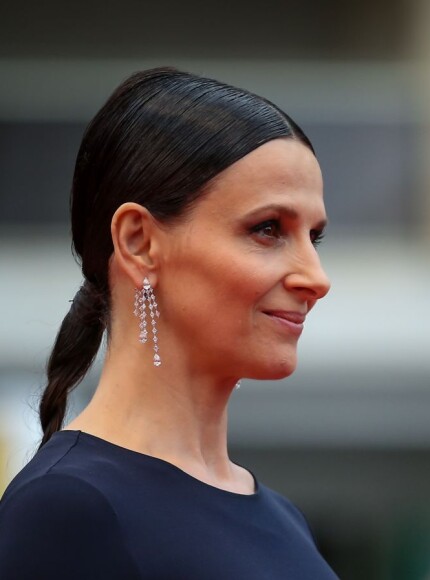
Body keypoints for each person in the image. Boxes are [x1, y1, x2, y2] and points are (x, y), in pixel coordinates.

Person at [0, 67, 337, 579]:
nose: (316, 277)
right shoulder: (67, 511)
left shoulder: (284, 519)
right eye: (268, 229)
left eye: (313, 237)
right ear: (139, 241)